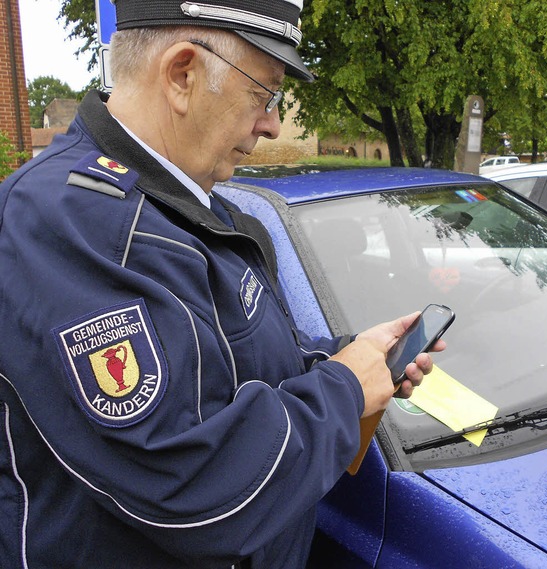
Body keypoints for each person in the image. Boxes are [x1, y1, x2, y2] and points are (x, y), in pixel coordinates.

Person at [0, 1, 445, 567]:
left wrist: (353, 359)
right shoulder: (68, 225)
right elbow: (190, 490)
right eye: (265, 94)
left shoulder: (187, 204)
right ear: (184, 75)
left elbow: (236, 367)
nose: (273, 125)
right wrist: (342, 390)